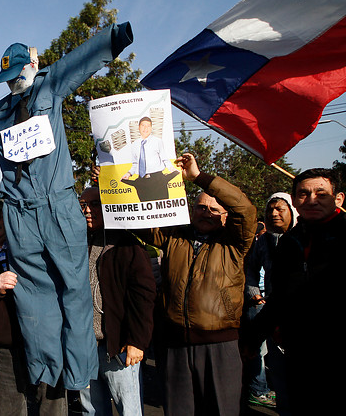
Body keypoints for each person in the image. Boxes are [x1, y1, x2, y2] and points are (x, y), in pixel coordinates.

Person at [0, 21, 134, 392]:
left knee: (74, 288)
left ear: (31, 65)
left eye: (18, 74)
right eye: (8, 78)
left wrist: (115, 37)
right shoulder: (0, 112)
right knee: (34, 291)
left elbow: (82, 59)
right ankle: (47, 370)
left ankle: (79, 373)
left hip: (58, 205)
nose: (15, 83)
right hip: (19, 212)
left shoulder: (51, 83)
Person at [134, 153, 256, 416]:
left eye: (214, 209)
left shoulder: (235, 244)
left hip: (220, 346)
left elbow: (245, 209)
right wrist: (110, 186)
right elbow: (139, 220)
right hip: (175, 344)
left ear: (225, 216)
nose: (206, 213)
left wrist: (199, 178)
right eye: (201, 207)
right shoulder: (174, 236)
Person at [249, 168, 345, 415]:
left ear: (338, 199)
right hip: (299, 356)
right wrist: (250, 337)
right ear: (294, 200)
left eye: (321, 194)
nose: (312, 200)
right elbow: (279, 299)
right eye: (303, 193)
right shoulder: (289, 244)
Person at [0, 199, 67, 415]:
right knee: (10, 407)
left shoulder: (31, 243)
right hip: (6, 346)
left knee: (51, 403)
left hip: (43, 339)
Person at [78, 187, 156, 415]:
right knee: (91, 411)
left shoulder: (127, 245)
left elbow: (144, 296)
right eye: (83, 204)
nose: (87, 211)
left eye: (94, 204)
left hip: (118, 348)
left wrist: (137, 341)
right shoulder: (76, 243)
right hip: (85, 348)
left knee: (129, 410)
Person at [242, 193, 297, 410]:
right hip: (272, 313)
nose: (274, 214)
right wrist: (254, 292)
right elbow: (251, 268)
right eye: (270, 210)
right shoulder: (263, 241)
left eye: (280, 209)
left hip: (301, 315)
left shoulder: (302, 237)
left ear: (292, 212)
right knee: (276, 366)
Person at [120, 117, 178, 201]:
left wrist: (171, 168)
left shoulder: (157, 141)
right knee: (145, 206)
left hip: (158, 180)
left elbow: (164, 158)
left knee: (161, 205)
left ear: (151, 128)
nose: (145, 128)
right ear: (139, 127)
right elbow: (135, 164)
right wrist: (129, 174)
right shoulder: (135, 144)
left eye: (148, 126)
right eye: (143, 125)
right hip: (142, 181)